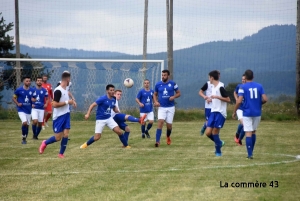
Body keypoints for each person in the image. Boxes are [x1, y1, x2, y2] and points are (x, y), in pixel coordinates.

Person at [79, 84, 132, 149]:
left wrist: (118, 112)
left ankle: (126, 146)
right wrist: (88, 114)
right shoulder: (102, 98)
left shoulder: (113, 99)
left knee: (119, 132)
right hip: (100, 119)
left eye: (113, 90)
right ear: (107, 91)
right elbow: (92, 105)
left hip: (109, 118)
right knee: (97, 137)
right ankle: (84, 145)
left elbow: (113, 107)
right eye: (111, 90)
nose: (112, 91)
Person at [39, 71, 76, 158]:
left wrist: (73, 100)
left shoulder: (66, 87)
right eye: (69, 79)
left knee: (66, 134)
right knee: (58, 137)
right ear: (67, 80)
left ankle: (61, 154)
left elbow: (68, 93)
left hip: (66, 114)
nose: (70, 81)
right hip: (58, 116)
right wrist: (68, 102)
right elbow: (54, 104)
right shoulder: (58, 91)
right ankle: (45, 142)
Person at [232, 69, 268, 159]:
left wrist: (234, 111)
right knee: (253, 132)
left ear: (246, 77)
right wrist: (259, 103)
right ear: (253, 76)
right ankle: (251, 150)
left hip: (247, 112)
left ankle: (250, 154)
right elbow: (265, 99)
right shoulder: (259, 86)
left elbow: (239, 101)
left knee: (248, 132)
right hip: (257, 112)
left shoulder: (242, 87)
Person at [205, 70, 230, 157]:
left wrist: (217, 97)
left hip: (220, 113)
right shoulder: (213, 87)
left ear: (212, 78)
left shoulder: (220, 87)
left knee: (215, 132)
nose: (209, 79)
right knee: (208, 133)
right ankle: (219, 142)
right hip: (213, 111)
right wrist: (211, 99)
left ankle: (218, 152)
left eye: (209, 77)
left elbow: (228, 99)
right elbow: (216, 99)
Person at [153, 69, 181, 147]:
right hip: (161, 107)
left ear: (168, 76)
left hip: (171, 107)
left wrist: (174, 96)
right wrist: (155, 102)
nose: (163, 76)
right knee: (160, 122)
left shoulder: (173, 83)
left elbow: (179, 93)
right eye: (162, 75)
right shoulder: (158, 84)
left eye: (165, 75)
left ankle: (168, 136)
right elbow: (154, 94)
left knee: (169, 126)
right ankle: (157, 141)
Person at [12, 76, 36, 144]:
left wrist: (33, 102)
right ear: (24, 82)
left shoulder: (32, 90)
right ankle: (23, 137)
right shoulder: (19, 90)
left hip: (28, 110)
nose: (28, 82)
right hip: (21, 109)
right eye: (27, 81)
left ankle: (24, 138)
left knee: (27, 125)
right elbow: (14, 98)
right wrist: (17, 103)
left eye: (29, 81)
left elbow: (34, 99)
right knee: (24, 123)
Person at [233, 74, 246, 146]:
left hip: (246, 109)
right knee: (244, 124)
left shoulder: (248, 88)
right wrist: (236, 99)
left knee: (244, 124)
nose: (243, 80)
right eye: (242, 79)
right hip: (240, 109)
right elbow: (235, 92)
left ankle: (239, 137)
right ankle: (239, 138)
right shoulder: (239, 86)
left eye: (244, 79)